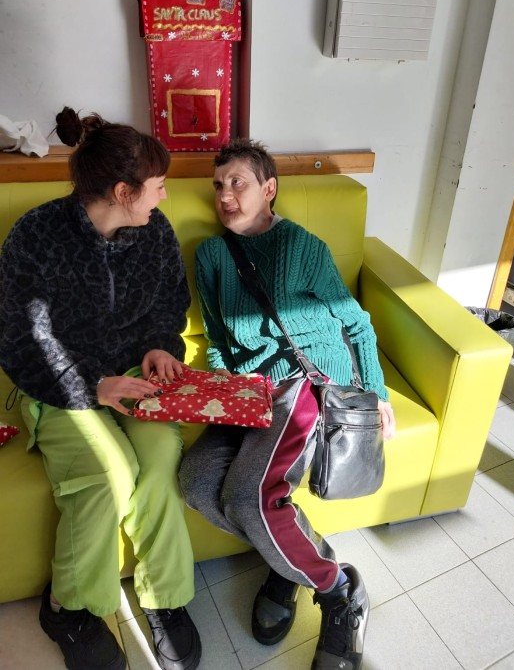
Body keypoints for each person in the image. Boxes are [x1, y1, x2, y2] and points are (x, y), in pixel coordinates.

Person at [178, 138, 395, 670]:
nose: (224, 195)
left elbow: (356, 323)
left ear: (269, 188)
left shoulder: (302, 247)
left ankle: (340, 592)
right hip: (247, 392)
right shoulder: (211, 255)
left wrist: (377, 393)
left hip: (305, 380)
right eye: (219, 185)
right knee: (197, 483)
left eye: (238, 183)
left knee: (250, 498)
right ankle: (291, 559)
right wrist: (224, 391)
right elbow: (219, 340)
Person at [0, 110, 201, 670]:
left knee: (158, 461)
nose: (164, 196)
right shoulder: (37, 237)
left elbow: (168, 303)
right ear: (122, 192)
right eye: (158, 185)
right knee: (107, 473)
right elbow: (21, 338)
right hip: (57, 387)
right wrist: (92, 383)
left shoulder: (154, 232)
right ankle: (67, 607)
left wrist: (160, 345)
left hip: (135, 378)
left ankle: (164, 596)